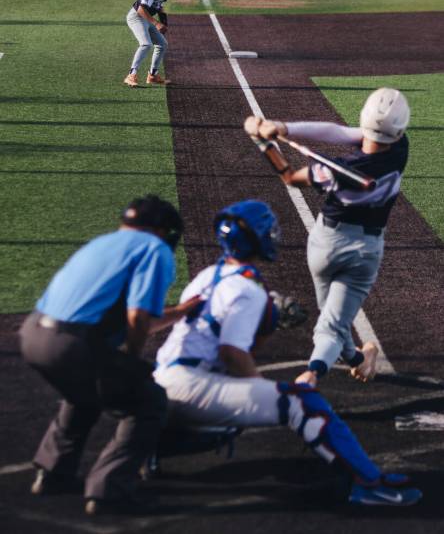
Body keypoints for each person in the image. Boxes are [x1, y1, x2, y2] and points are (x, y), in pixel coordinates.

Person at [153, 199, 421, 507]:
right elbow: (231, 353)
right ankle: (370, 484)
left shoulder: (206, 276)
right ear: (256, 238)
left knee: (230, 419)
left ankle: (149, 449)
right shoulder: (247, 290)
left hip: (162, 383)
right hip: (191, 387)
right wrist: (259, 385)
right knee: (303, 403)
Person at [20, 194, 196, 516]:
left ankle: (51, 473)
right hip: (72, 343)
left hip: (33, 334)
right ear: (160, 230)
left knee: (85, 392)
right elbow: (138, 319)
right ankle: (109, 490)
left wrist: (182, 311)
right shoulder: (153, 248)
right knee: (147, 401)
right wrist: (131, 357)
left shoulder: (102, 244)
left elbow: (134, 316)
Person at [244, 87, 410, 388]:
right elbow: (338, 133)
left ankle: (357, 361)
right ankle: (311, 376)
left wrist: (262, 141)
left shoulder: (331, 172)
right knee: (331, 326)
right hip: (363, 252)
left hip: (324, 244)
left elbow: (291, 177)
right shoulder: (400, 150)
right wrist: (282, 129)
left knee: (332, 318)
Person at [123, 0, 175, 88]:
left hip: (146, 18)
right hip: (136, 17)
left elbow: (159, 6)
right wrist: (157, 24)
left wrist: (164, 22)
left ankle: (152, 75)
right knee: (146, 44)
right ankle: (131, 74)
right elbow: (141, 9)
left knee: (162, 44)